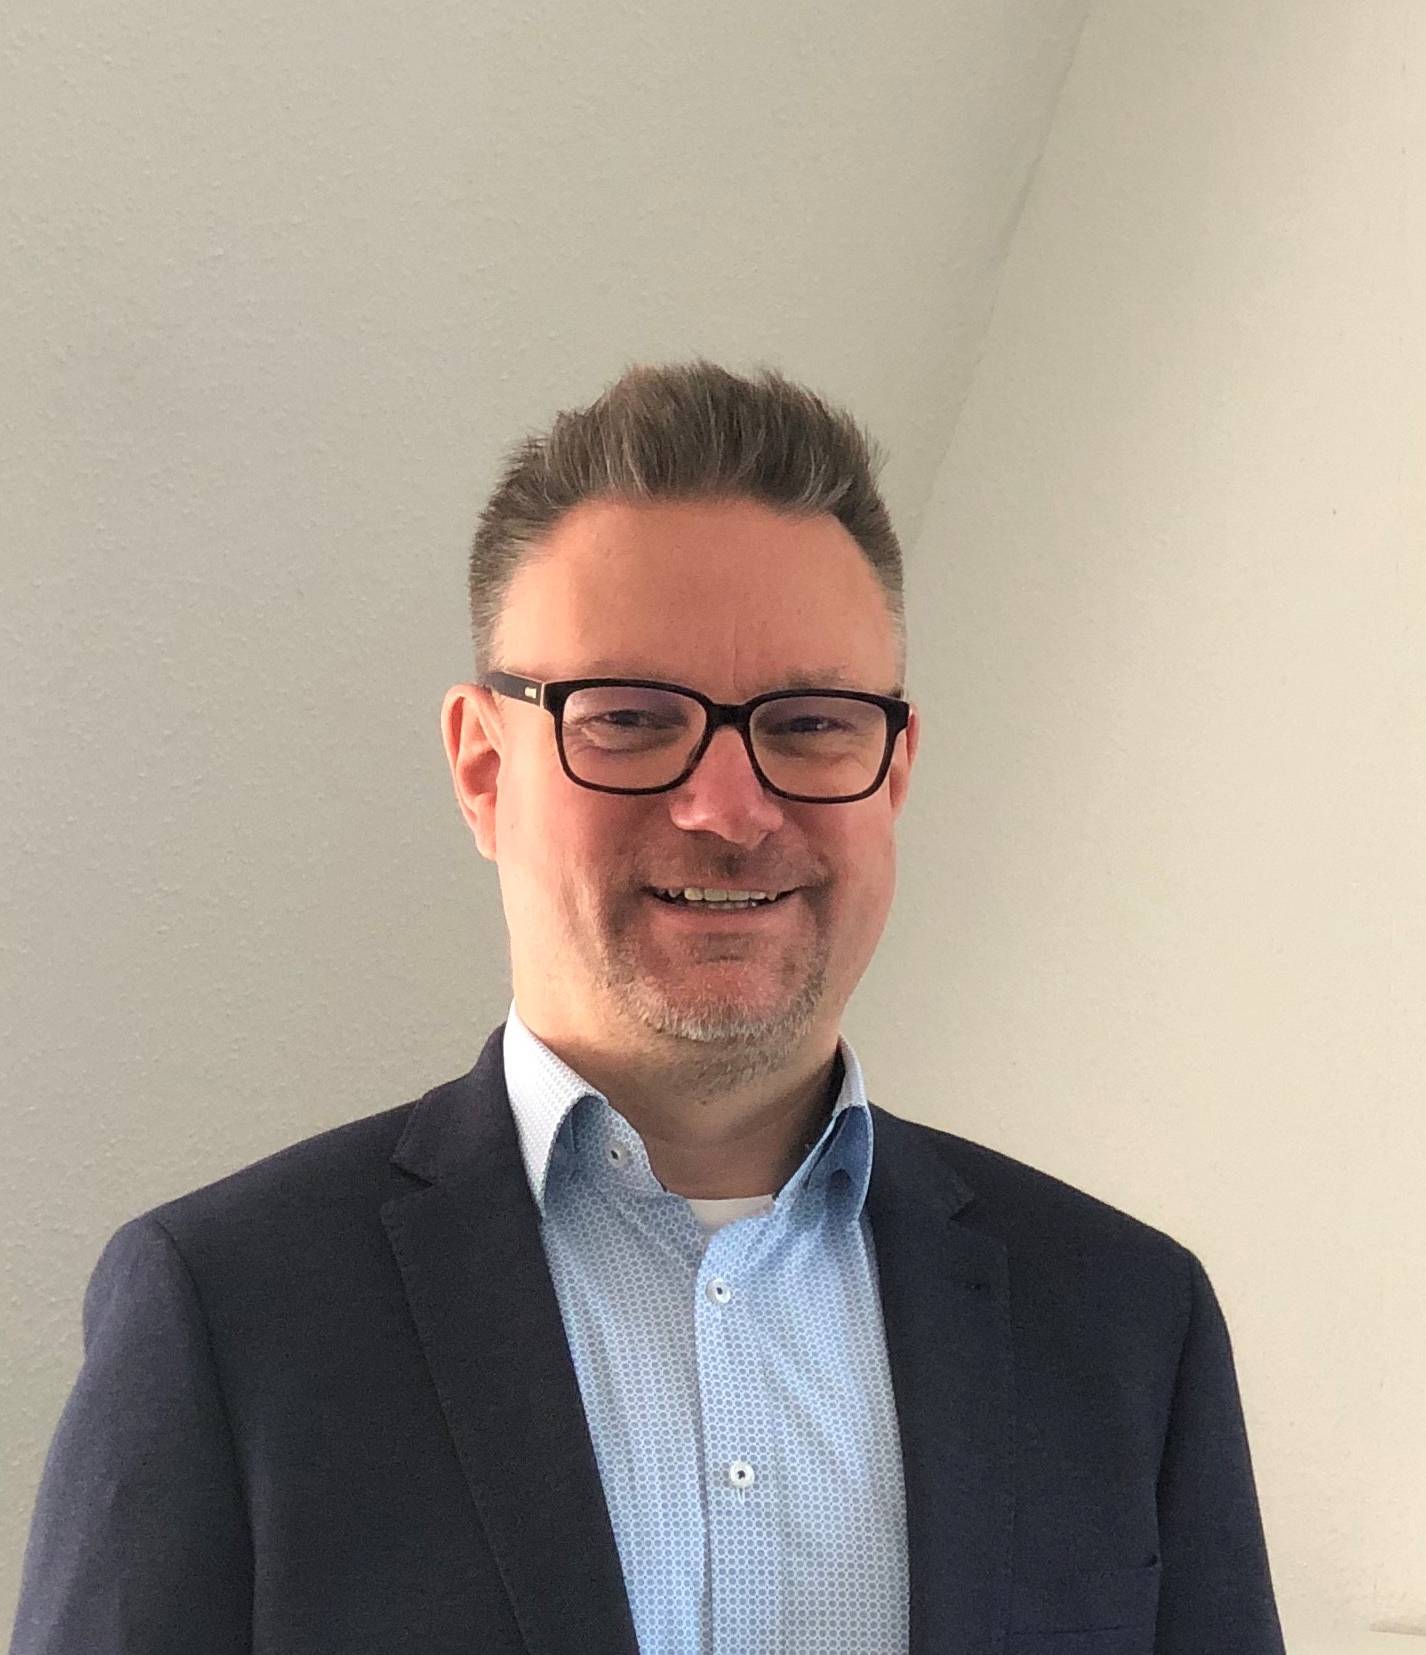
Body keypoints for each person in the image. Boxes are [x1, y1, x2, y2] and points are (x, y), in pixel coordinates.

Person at [12, 365, 1284, 1655]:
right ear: (483, 769)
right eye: (627, 719)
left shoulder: (1126, 1321)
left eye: (811, 723)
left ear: (893, 771)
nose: (729, 809)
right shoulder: (231, 1313)